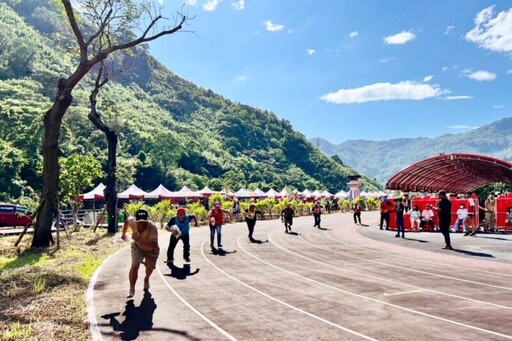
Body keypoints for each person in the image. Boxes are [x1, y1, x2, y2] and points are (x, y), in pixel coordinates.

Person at [120, 209, 159, 298]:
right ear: (136, 221)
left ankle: (146, 279)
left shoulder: (152, 227)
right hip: (137, 247)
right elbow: (127, 221)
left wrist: (140, 240)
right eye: (139, 222)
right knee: (135, 265)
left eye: (143, 222)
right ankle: (132, 289)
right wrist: (123, 234)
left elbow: (154, 244)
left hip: (151, 249)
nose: (141, 224)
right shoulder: (133, 223)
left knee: (150, 269)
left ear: (147, 221)